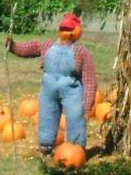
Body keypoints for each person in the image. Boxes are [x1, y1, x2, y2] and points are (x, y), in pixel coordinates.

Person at [6, 13, 97, 154]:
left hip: (72, 92)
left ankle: (76, 148)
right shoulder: (48, 45)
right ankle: (46, 146)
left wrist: (87, 102)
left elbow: (89, 80)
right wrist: (13, 46)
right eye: (64, 29)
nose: (66, 32)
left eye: (68, 29)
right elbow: (27, 49)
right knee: (47, 115)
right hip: (49, 91)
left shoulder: (82, 53)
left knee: (75, 116)